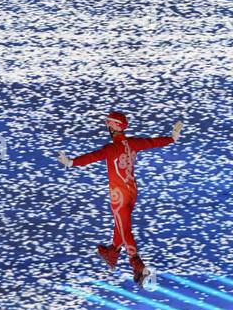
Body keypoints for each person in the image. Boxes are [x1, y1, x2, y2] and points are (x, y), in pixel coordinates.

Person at [58, 111, 183, 287]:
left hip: (119, 195)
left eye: (108, 125)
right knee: (121, 226)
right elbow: (152, 142)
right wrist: (172, 137)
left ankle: (138, 266)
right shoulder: (133, 143)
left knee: (125, 230)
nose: (107, 127)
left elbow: (92, 157)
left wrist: (71, 162)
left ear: (113, 127)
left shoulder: (112, 148)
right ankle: (112, 251)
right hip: (132, 192)